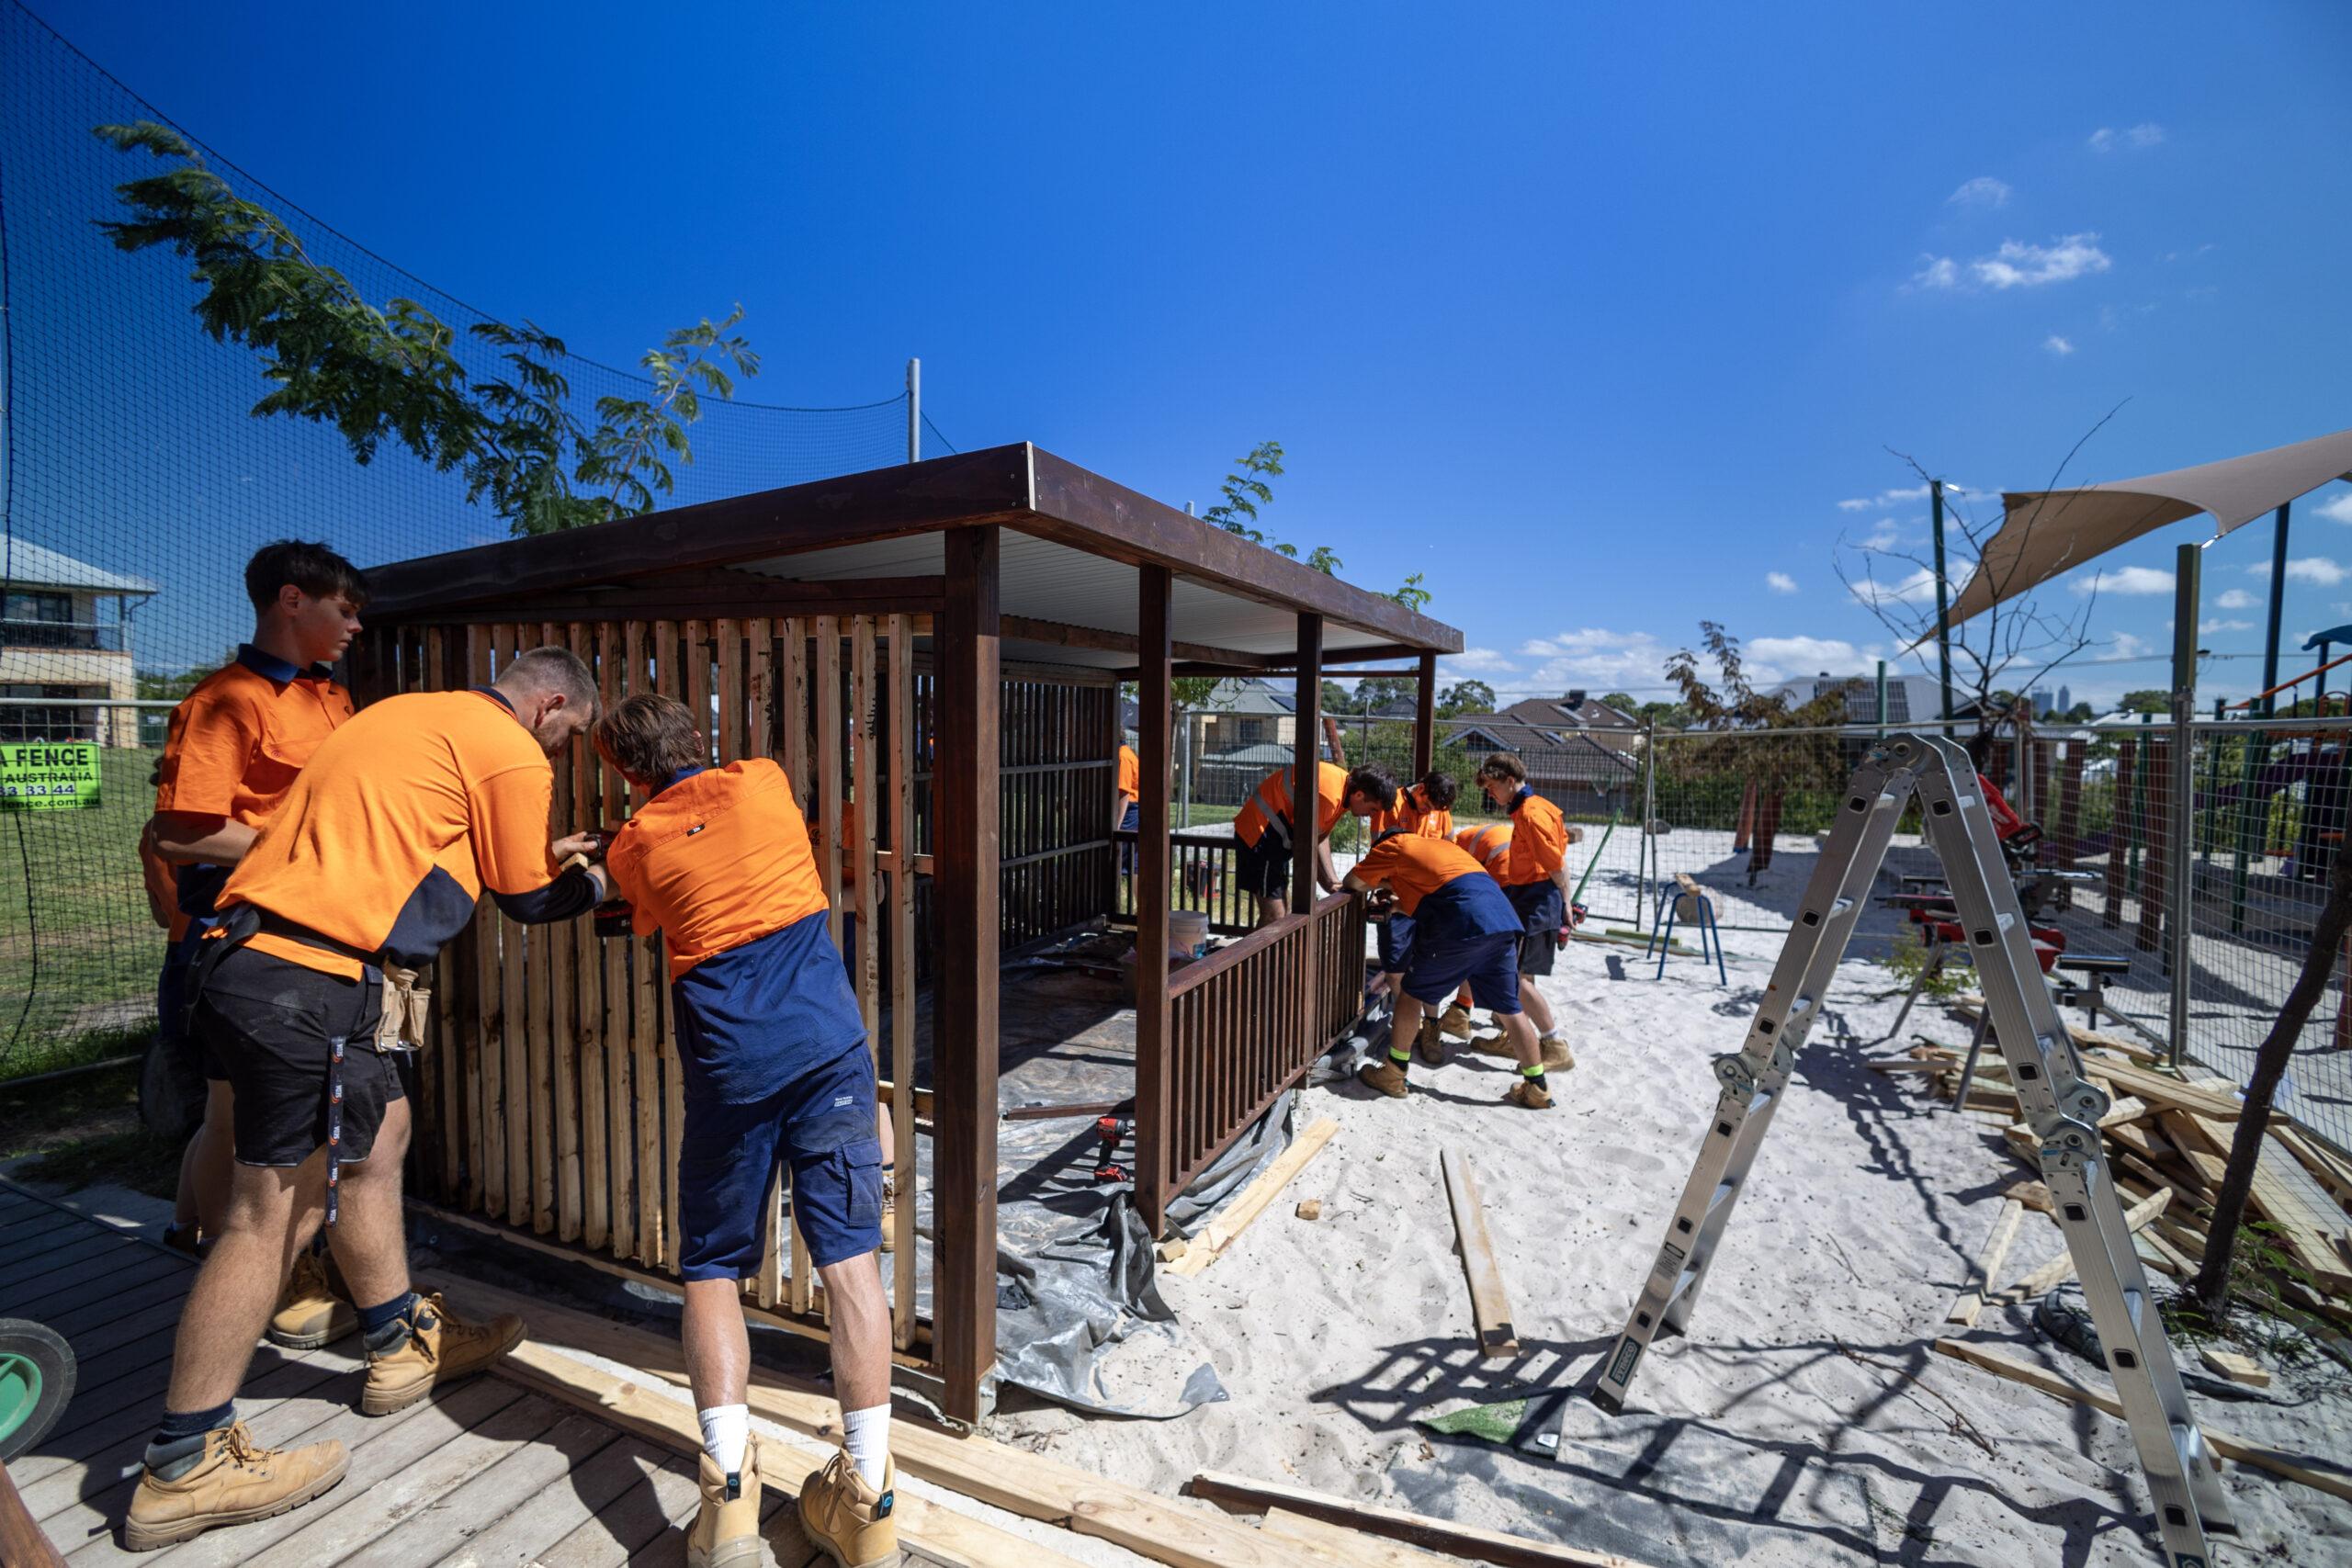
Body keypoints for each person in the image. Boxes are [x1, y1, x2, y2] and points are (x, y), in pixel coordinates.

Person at [124, 647, 608, 1552]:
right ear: (549, 706)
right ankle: (185, 1458)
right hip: (306, 981)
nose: (562, 749)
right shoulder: (509, 746)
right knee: (273, 1215)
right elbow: (528, 900)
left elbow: (408, 847)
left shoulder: (403, 717)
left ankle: (396, 1339)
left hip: (246, 956)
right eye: (570, 734)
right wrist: (602, 881)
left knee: (380, 1138)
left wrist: (535, 859)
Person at [592, 693, 898, 1568]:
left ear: (625, 773)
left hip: (733, 1070)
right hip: (829, 1050)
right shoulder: (763, 782)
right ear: (699, 737)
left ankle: (728, 1499)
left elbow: (632, 902)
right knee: (850, 1260)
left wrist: (600, 850)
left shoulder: (634, 842)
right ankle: (869, 1497)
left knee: (712, 1265)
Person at [147, 542, 364, 1341]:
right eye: (345, 608)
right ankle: (246, 1275)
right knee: (242, 1116)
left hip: (315, 933)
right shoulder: (224, 700)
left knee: (242, 1108)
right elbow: (180, 833)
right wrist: (304, 844)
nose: (355, 625)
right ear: (291, 600)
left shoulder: (332, 697)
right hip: (239, 940)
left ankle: (194, 1233)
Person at [1345, 829, 1550, 1107]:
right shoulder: (1441, 849)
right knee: (1510, 1008)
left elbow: (1353, 881)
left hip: (1461, 925)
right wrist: (1398, 904)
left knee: (1410, 994)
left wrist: (1382, 881)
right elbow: (1450, 893)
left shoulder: (1393, 846)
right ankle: (1537, 1086)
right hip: (1501, 922)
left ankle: (1393, 1074)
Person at [1474, 752, 1577, 1070]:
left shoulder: (1532, 815)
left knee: (1516, 978)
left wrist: (1566, 904)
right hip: (1528, 896)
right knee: (1523, 972)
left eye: (1493, 787)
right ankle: (1515, 1036)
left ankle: (1554, 1044)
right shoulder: (1531, 808)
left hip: (1538, 899)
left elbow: (1557, 866)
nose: (1491, 794)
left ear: (1509, 781)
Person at [1351, 768, 1458, 1062]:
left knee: (1429, 963)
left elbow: (1449, 848)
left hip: (1428, 899)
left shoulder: (1440, 811)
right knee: (1396, 966)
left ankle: (1431, 1027)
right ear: (1420, 788)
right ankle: (1407, 1022)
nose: (1429, 812)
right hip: (1395, 895)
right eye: (1427, 805)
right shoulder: (1391, 803)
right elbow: (1378, 850)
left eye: (1434, 810)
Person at [1231, 756, 1351, 928]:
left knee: (1283, 914)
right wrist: (1328, 884)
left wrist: (1332, 882)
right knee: (1275, 916)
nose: (1369, 815)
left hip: (1275, 840)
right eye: (1372, 808)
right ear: (1360, 795)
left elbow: (1320, 837)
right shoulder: (1331, 797)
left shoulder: (1343, 791)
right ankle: (1257, 947)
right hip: (1260, 835)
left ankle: (1271, 946)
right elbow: (1306, 848)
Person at [1437, 819, 1513, 1040]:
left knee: (1478, 945)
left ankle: (1463, 1013)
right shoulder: (1475, 838)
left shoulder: (1455, 851)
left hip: (1507, 881)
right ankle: (1498, 1012)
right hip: (1529, 883)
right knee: (1507, 952)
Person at [1114, 732, 1142, 874]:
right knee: (1134, 864)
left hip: (1129, 810)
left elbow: (1124, 792)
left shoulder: (1122, 756)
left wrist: (1117, 826)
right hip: (1132, 809)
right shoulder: (1125, 752)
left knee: (1117, 856)